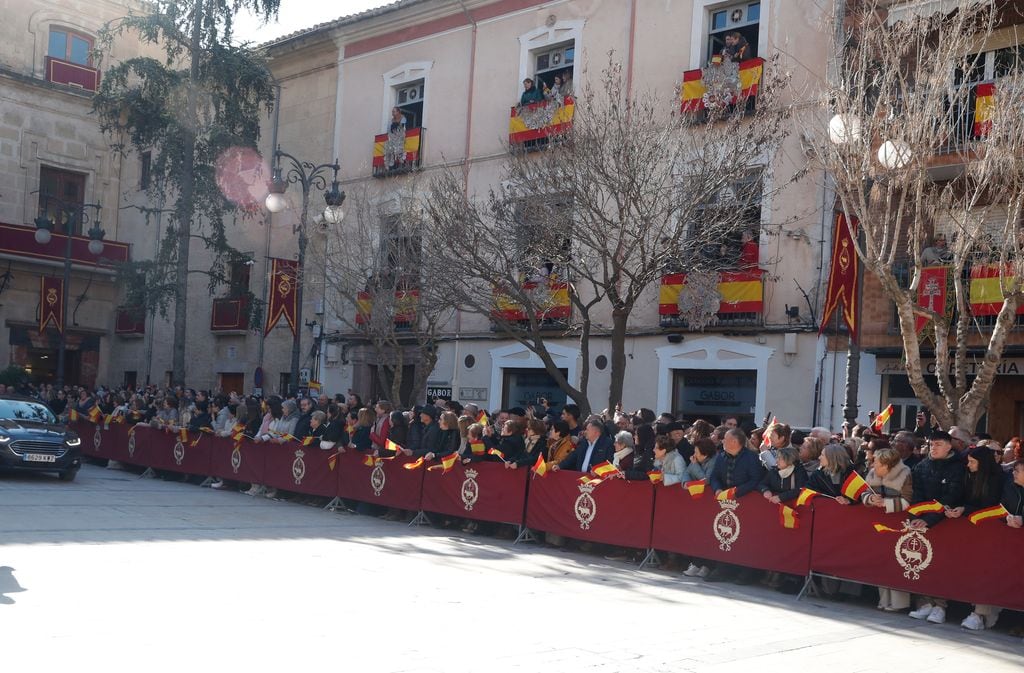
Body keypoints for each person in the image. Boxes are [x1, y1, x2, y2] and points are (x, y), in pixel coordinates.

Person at [906, 430, 965, 624]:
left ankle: (940, 607)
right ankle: (924, 603)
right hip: (924, 521)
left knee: (942, 566)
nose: (934, 448)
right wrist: (916, 516)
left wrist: (930, 520)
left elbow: (952, 496)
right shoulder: (922, 466)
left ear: (949, 446)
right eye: (932, 444)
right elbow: (917, 494)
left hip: (947, 523)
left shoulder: (958, 467)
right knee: (921, 562)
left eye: (939, 444)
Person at [861, 448, 914, 612]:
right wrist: (870, 499)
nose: (873, 464)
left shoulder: (905, 474)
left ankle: (899, 603)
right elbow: (863, 492)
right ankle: (883, 599)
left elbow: (908, 500)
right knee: (880, 561)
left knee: (897, 562)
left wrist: (885, 503)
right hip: (878, 523)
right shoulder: (871, 473)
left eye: (876, 462)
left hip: (897, 523)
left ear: (887, 465)